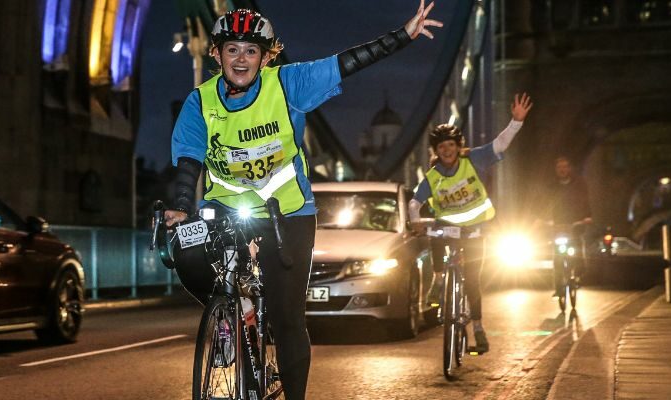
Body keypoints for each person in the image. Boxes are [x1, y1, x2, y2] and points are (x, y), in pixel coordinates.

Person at [164, 3, 442, 399]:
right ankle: (228, 315)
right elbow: (190, 158)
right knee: (187, 252)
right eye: (232, 49)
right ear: (217, 54)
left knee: (287, 317)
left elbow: (346, 63)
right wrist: (180, 204)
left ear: (265, 57)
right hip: (227, 209)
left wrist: (404, 35)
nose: (241, 59)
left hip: (288, 212)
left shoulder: (288, 84)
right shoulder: (201, 102)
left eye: (250, 51)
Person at [409, 93, 534, 354]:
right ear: (436, 151)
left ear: (458, 146)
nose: (446, 150)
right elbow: (414, 203)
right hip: (449, 229)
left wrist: (516, 122)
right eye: (441, 147)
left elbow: (499, 145)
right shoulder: (432, 177)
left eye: (451, 145)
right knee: (436, 233)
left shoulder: (473, 160)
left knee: (472, 281)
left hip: (477, 228)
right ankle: (439, 278)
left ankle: (477, 326)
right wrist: (416, 221)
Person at [547, 156, 593, 296]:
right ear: (556, 170)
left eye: (565, 167)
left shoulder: (578, 184)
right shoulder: (552, 186)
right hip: (558, 225)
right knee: (556, 255)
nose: (562, 170)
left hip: (575, 224)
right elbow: (544, 203)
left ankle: (578, 274)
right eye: (559, 167)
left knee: (578, 250)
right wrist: (543, 219)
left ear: (569, 169)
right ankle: (558, 286)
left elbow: (585, 202)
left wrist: (587, 217)